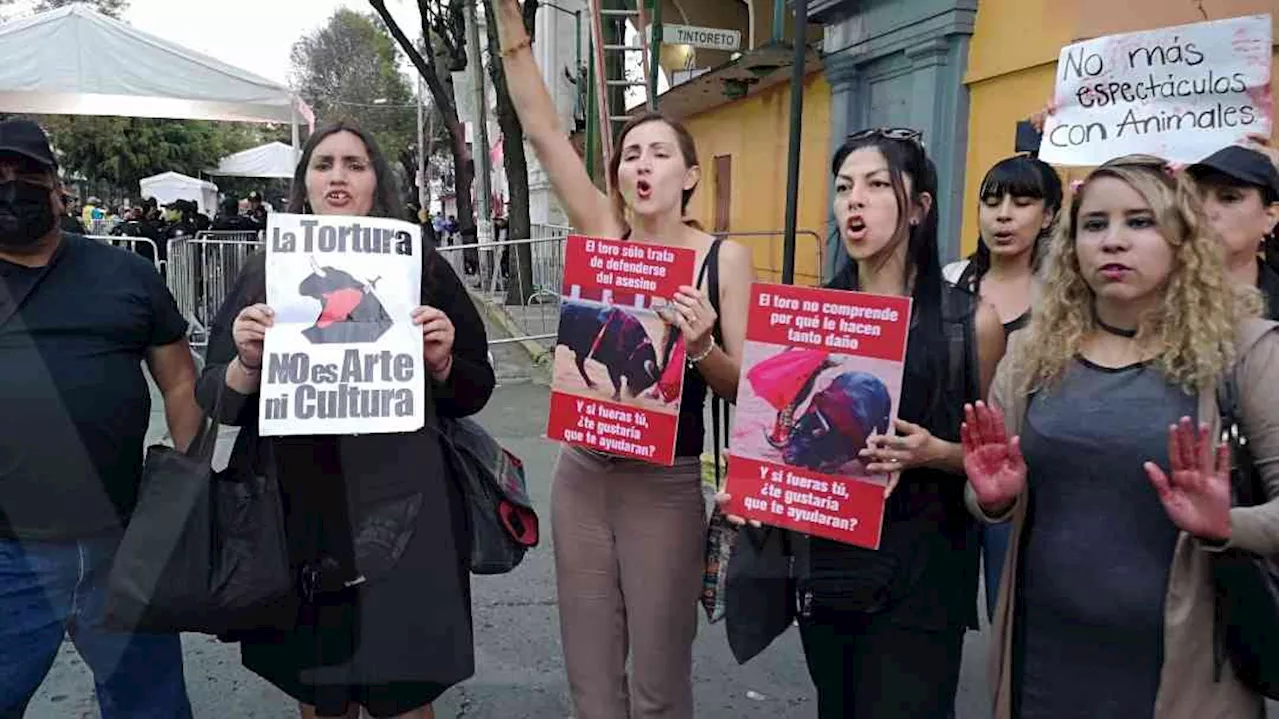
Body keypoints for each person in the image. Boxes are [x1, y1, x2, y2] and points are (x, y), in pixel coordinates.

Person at [494, 2, 756, 717]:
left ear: (691, 175)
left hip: (665, 487)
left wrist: (703, 348)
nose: (642, 164)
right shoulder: (608, 237)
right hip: (582, 478)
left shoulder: (723, 261)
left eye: (659, 152)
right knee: (592, 683)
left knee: (659, 687)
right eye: (630, 153)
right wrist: (508, 26)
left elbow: (750, 388)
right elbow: (544, 129)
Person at [963, 154, 1280, 718]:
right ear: (1072, 246)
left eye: (1139, 222)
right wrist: (994, 497)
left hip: (1183, 678)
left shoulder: (1246, 353)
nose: (1113, 241)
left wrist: (1229, 523)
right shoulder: (1031, 355)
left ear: (1183, 238)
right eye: (1095, 224)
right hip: (1043, 665)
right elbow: (986, 496)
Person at [198, 120, 493, 719]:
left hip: (406, 511)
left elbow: (474, 388)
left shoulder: (421, 266)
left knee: (405, 690)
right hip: (300, 513)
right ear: (303, 182)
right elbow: (216, 398)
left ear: (375, 182)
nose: (338, 176)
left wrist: (440, 363)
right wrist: (247, 364)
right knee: (320, 688)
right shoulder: (266, 272)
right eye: (324, 163)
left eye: (355, 165)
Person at [720, 128, 1004, 719]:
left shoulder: (970, 325)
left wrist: (932, 453)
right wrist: (755, 490)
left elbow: (994, 461)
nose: (855, 200)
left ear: (920, 207)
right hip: (832, 572)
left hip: (926, 575)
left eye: (877, 185)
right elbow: (774, 420)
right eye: (845, 186)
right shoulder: (811, 317)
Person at [0, 118, 201, 718]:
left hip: (123, 541)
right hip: (8, 556)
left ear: (58, 187)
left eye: (27, 174)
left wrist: (186, 495)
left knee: (150, 706)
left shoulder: (127, 275)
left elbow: (181, 381)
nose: (12, 188)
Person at [942, 154, 1062, 620]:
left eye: (1022, 201)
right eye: (991, 202)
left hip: (1019, 478)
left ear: (1049, 214)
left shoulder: (1065, 297)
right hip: (943, 464)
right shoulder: (950, 282)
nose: (1004, 214)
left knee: (1010, 610)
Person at [1187, 144, 1280, 317]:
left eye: (1229, 197)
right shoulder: (1154, 302)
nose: (1206, 211)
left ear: (1270, 217)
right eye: (1196, 197)